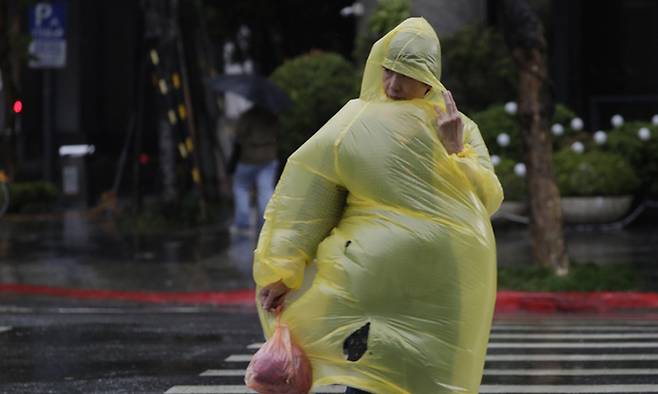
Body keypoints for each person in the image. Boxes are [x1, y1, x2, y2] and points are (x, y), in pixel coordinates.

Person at [253, 18, 503, 394]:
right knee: (368, 381)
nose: (393, 85)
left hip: (438, 287)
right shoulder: (356, 121)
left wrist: (455, 150)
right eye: (388, 71)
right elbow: (309, 197)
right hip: (371, 287)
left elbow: (486, 200)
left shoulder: (458, 128)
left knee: (429, 382)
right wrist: (283, 268)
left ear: (429, 78)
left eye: (406, 73)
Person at [230, 105, 279, 235]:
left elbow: (238, 135)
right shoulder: (272, 115)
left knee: (241, 187)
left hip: (249, 157)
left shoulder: (248, 116)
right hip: (269, 156)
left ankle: (243, 224)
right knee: (266, 189)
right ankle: (266, 224)